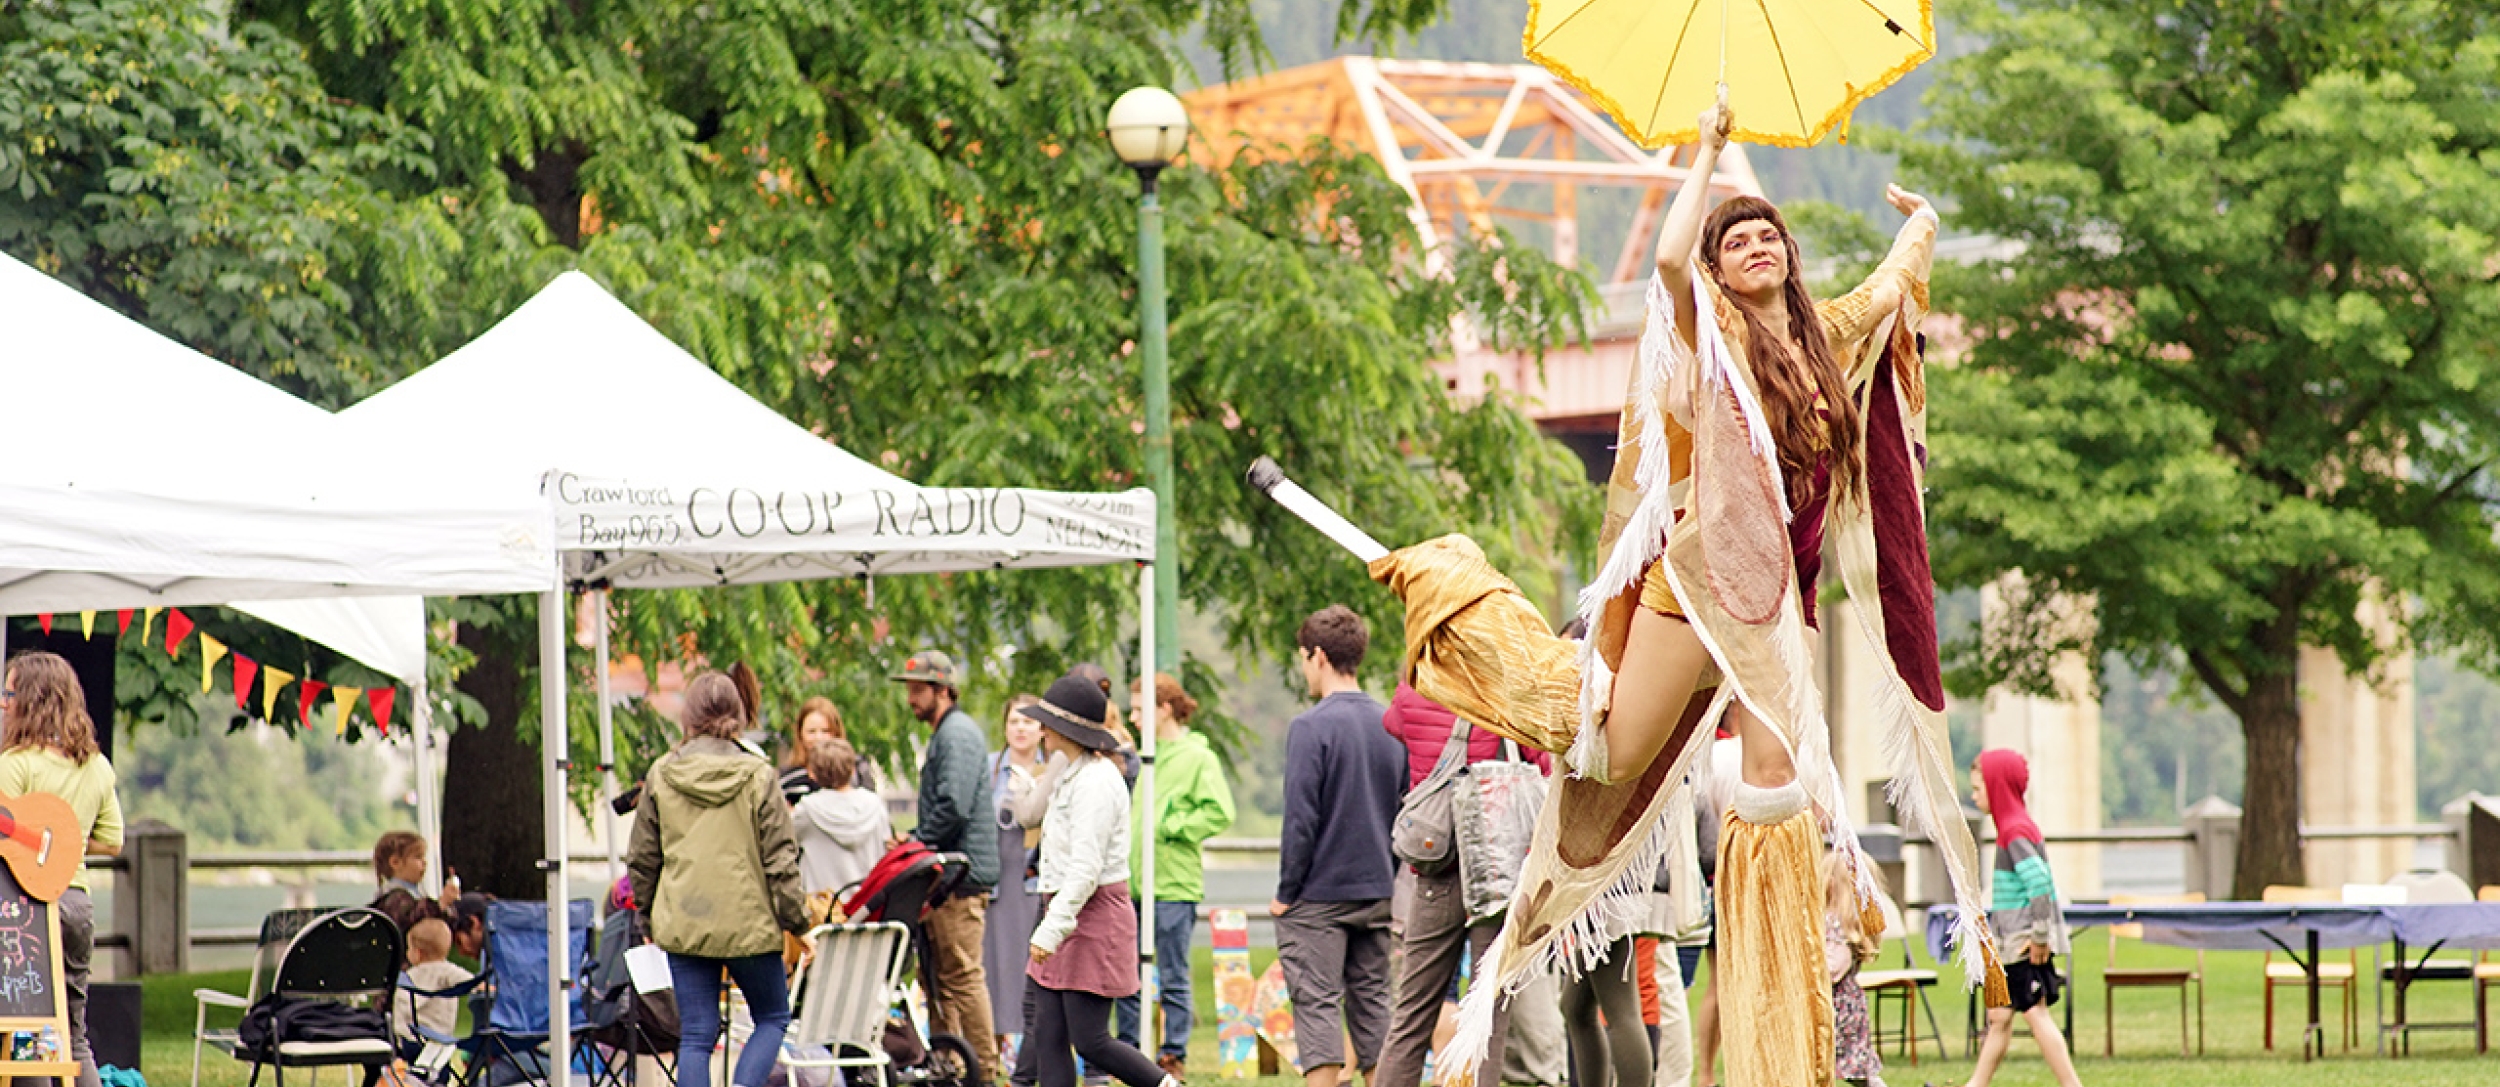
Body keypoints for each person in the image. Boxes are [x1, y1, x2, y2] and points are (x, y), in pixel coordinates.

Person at [1363, 95, 1997, 1086]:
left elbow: (1883, 295)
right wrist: (1703, 152)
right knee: (1608, 750)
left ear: (1787, 257)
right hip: (1692, 594)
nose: (1755, 246)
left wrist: (1919, 227)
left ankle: (1778, 1048)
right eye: (1735, 239)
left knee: (1775, 801)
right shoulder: (1713, 344)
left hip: (1776, 616)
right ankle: (1473, 606)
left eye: (1766, 236)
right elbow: (1667, 263)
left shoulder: (1818, 344)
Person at [627, 670, 810, 1087]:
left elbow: (642, 858)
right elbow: (781, 860)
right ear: (738, 714)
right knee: (773, 1017)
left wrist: (647, 918)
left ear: (689, 716)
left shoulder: (661, 774)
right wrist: (797, 922)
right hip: (749, 924)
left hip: (686, 920)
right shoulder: (760, 776)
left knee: (696, 1034)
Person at [1373, 683, 1548, 1087]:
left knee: (1412, 1013)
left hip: (1437, 866)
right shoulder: (1509, 693)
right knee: (1487, 1016)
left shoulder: (1415, 693)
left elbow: (1394, 723)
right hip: (1497, 870)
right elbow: (1543, 762)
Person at [1270, 606, 1406, 1087]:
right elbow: (1404, 809)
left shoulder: (1310, 727)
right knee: (1374, 1007)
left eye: (1303, 658)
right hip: (1377, 890)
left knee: (1317, 1006)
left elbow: (1301, 820)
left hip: (1320, 895)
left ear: (1319, 656)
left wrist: (1287, 892)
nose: (1304, 668)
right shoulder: (1391, 723)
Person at [1022, 672, 1178, 1087]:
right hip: (1065, 911)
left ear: (1066, 729)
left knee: (1091, 1040)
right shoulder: (1072, 774)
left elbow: (1086, 869)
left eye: (1047, 724)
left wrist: (1052, 927)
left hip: (1091, 917)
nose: (1041, 732)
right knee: (1049, 1034)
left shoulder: (1097, 782)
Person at [0, 651, 123, 1087]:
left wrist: (38, 845)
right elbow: (111, 840)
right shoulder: (97, 766)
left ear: (31, 699)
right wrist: (60, 843)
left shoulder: (15, 765)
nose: (2, 702)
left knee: (24, 1031)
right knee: (73, 1034)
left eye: (9, 692)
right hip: (76, 905)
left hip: (22, 909)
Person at [1115, 673, 1237, 1077]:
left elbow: (1219, 811)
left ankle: (1172, 1055)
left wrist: (1171, 825)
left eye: (1138, 709)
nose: (1132, 718)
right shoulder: (1142, 757)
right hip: (1133, 883)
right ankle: (1128, 1051)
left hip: (1172, 884)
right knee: (1126, 974)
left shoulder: (1197, 757)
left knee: (1172, 974)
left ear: (1164, 708)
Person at [894, 649, 999, 1080]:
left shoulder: (955, 736)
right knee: (942, 980)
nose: (911, 699)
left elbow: (953, 806)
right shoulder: (949, 733)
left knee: (962, 978)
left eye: (918, 690)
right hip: (951, 877)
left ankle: (985, 1071)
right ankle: (951, 1065)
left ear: (943, 690)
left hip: (961, 879)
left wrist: (915, 842)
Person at [1963, 750, 2082, 1087]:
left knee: (2035, 1012)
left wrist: (2041, 937)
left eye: (1978, 788)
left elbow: (2040, 884)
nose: (1974, 796)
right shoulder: (2013, 830)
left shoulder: (2014, 832)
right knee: (1999, 1017)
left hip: (2022, 943)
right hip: (2011, 942)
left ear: (1997, 787)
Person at [987, 695, 1047, 1075]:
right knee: (991, 966)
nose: (1021, 729)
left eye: (1028, 722)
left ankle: (1030, 1055)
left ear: (1042, 729)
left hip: (1032, 880)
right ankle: (991, 1052)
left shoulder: (1051, 771)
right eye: (1014, 722)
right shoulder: (990, 769)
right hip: (996, 879)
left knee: (1029, 967)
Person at [791, 739, 890, 896]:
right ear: (852, 770)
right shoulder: (875, 804)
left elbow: (786, 841)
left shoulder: (807, 810)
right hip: (868, 904)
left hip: (823, 906)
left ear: (813, 773)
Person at [1823, 850, 1882, 1087]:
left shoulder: (1837, 924)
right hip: (1848, 1005)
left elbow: (1833, 968)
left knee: (1841, 1066)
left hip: (1836, 1008)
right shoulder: (1842, 922)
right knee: (1855, 1070)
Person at [781, 695, 877, 805]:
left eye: (826, 731)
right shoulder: (789, 777)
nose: (819, 738)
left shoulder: (857, 770)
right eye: (811, 731)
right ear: (800, 734)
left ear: (836, 733)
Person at [395, 918, 475, 1047]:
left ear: (417, 953)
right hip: (441, 1040)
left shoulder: (409, 976)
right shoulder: (448, 971)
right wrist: (485, 986)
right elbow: (471, 982)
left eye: (409, 948)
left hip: (412, 1039)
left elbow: (401, 1010)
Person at [368, 829, 446, 952]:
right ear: (395, 862)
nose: (424, 862)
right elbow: (411, 920)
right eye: (418, 857)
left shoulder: (416, 893)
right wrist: (440, 904)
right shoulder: (393, 898)